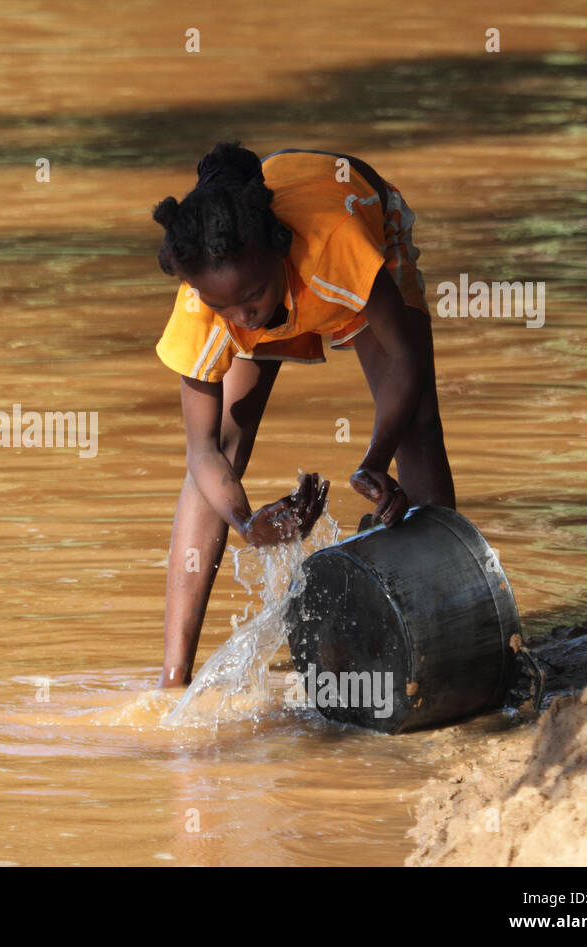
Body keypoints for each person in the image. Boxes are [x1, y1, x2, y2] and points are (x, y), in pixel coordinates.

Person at [150, 142, 455, 688]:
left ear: (275, 250)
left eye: (251, 297)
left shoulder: (336, 249)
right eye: (223, 306)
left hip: (351, 236)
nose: (242, 318)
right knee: (226, 441)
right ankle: (172, 678)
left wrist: (374, 461)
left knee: (417, 423)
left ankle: (448, 633)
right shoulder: (207, 304)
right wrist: (248, 524)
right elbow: (202, 452)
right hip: (282, 272)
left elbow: (405, 361)